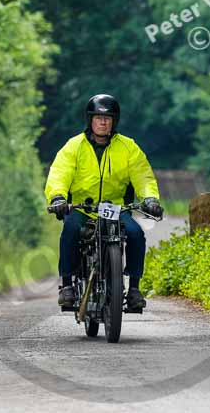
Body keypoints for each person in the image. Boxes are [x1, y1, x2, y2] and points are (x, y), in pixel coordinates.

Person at [45, 94, 163, 310]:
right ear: (90, 120)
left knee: (136, 234)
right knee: (70, 230)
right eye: (98, 117)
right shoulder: (74, 146)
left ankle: (135, 289)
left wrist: (150, 198)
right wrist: (58, 197)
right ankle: (68, 286)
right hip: (84, 208)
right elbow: (60, 173)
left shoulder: (128, 147)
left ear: (114, 122)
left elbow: (142, 175)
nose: (102, 122)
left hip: (115, 208)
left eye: (107, 119)